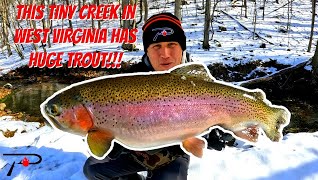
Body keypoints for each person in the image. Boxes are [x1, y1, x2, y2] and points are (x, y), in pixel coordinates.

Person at [83, 12, 231, 180]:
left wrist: (215, 130)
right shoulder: (129, 79)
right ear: (147, 50)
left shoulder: (197, 81)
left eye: (171, 44)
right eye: (157, 46)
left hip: (173, 153)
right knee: (92, 169)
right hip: (134, 150)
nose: (165, 54)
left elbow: (224, 112)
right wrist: (113, 139)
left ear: (182, 47)